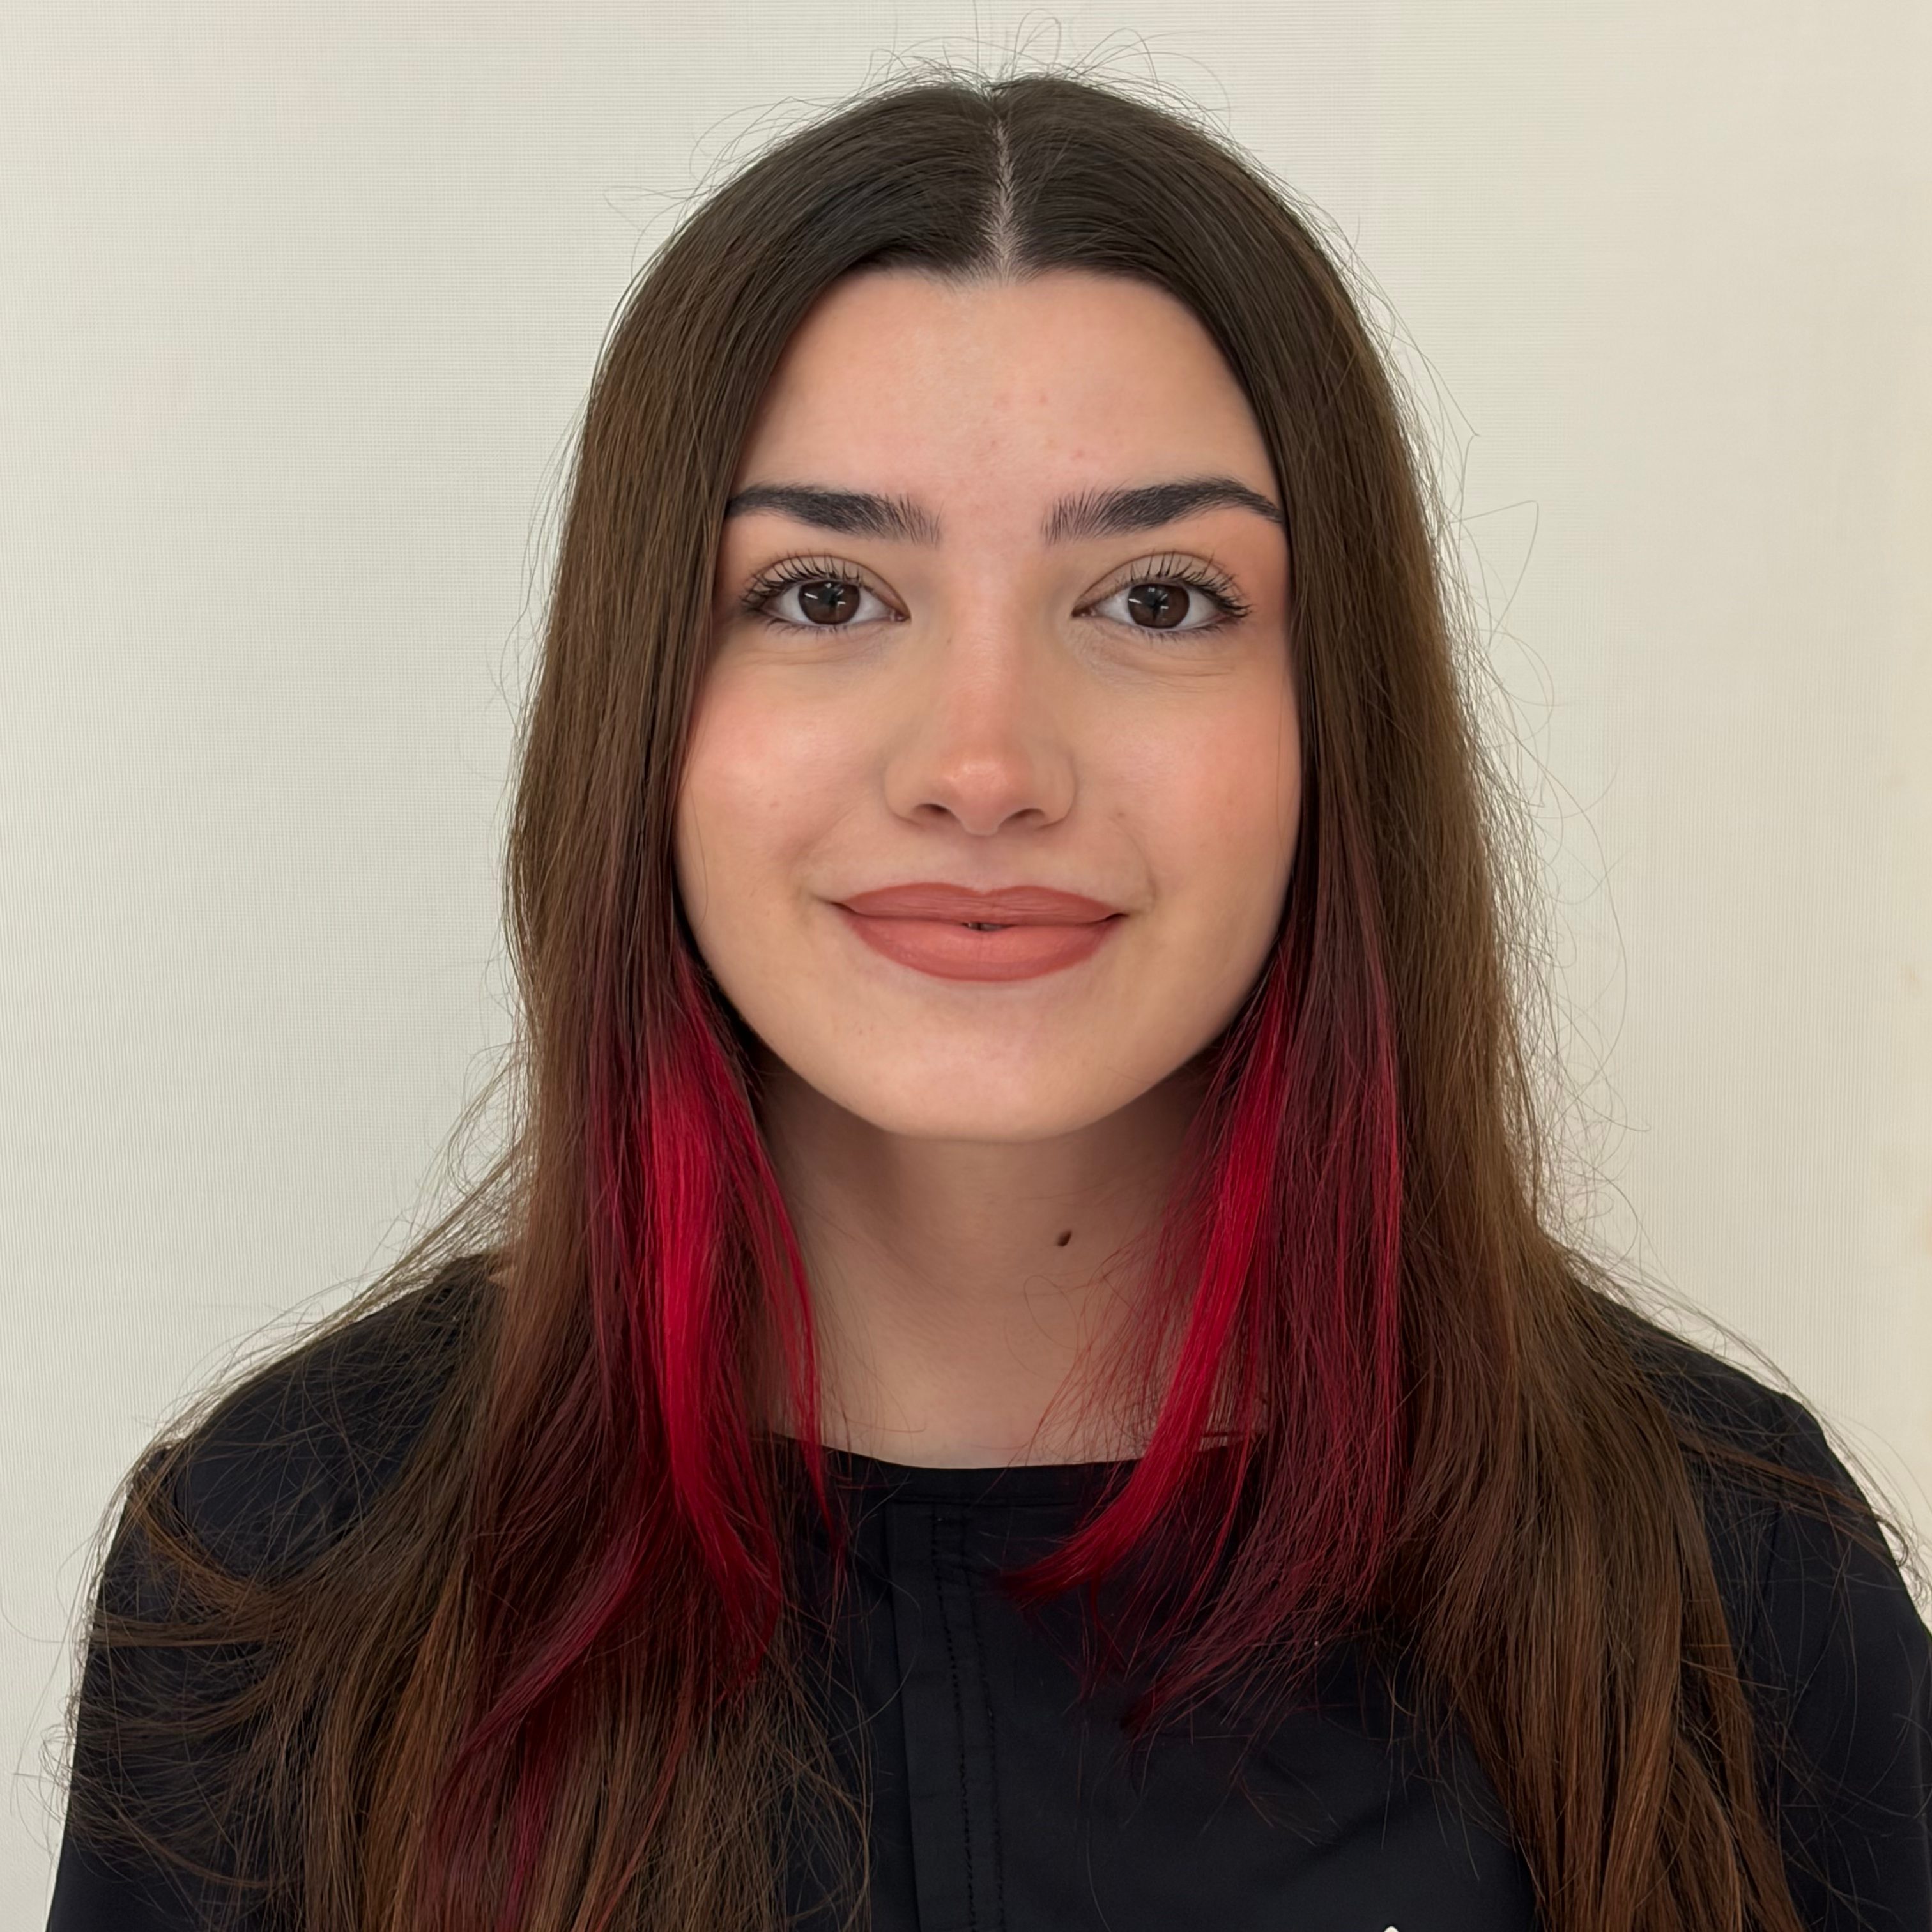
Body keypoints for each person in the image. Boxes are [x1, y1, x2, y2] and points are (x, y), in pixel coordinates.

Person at [45, 61, 1931, 1932]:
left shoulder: (1732, 1593)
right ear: (644, 711)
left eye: (1159, 599)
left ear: (1332, 725)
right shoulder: (287, 1580)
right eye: (822, 595)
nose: (982, 765)